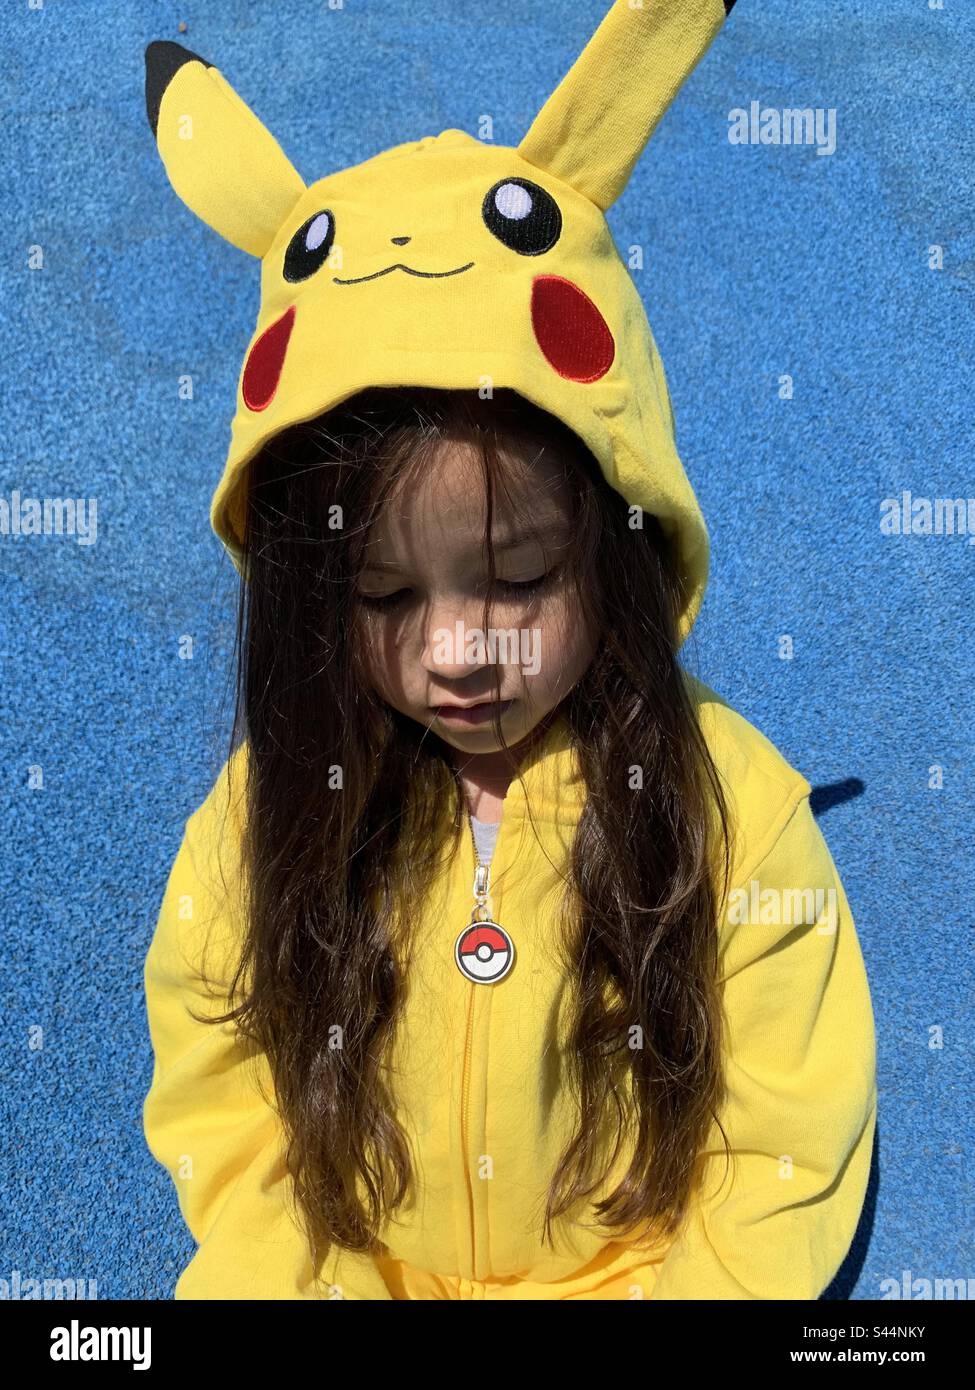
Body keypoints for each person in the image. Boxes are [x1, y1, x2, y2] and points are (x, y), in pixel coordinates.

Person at [141, 0, 877, 1300]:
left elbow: (785, 1142)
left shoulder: (732, 811)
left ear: (621, 541)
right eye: (380, 598)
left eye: (521, 577)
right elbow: (226, 1103)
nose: (457, 653)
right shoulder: (265, 815)